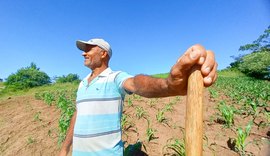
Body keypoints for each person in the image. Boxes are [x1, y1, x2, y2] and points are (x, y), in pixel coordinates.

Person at [59, 38, 218, 156]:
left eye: (89, 49)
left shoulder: (115, 77)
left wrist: (168, 86)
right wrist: (65, 148)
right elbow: (78, 114)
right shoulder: (82, 84)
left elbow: (136, 83)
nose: (83, 53)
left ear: (103, 53)